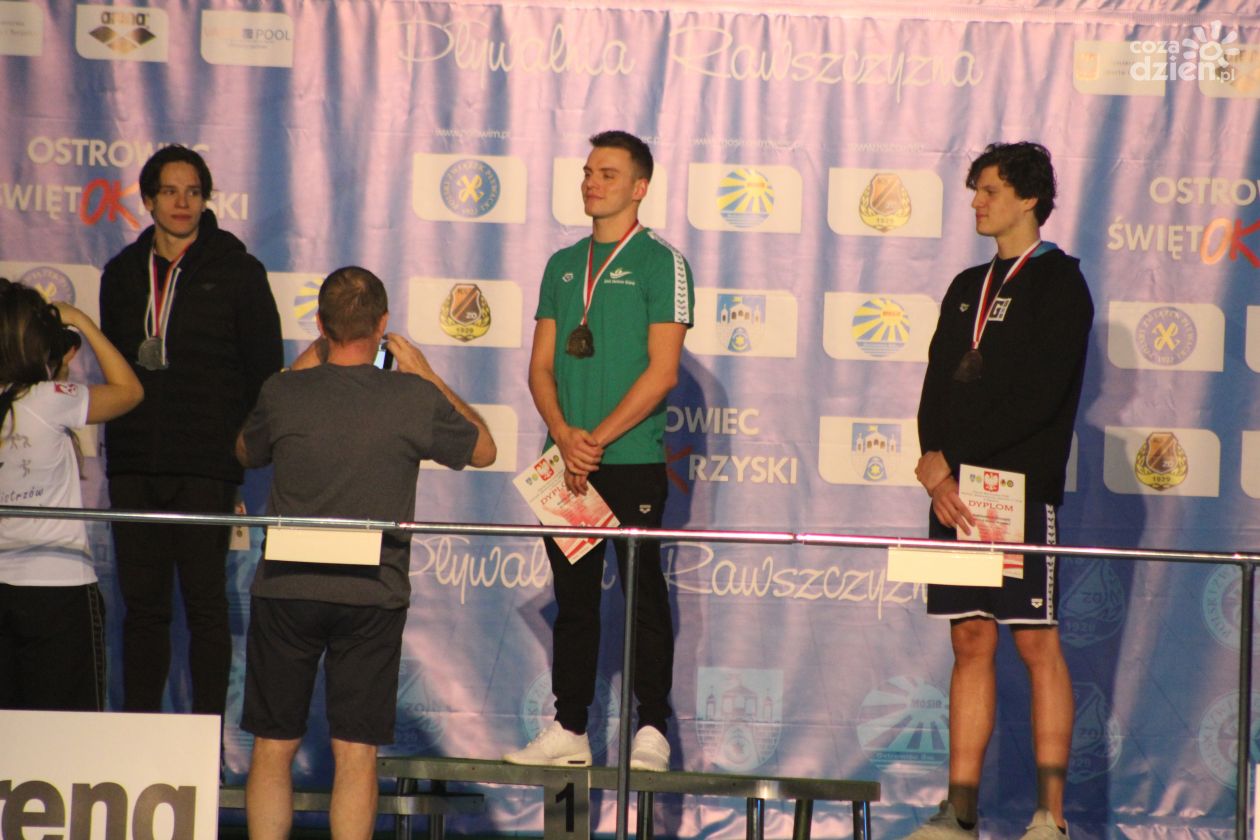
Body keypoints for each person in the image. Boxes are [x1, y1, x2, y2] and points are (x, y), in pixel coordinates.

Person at [236, 266, 495, 840]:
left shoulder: (283, 391)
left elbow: (245, 450)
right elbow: (484, 448)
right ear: (383, 325)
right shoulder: (412, 397)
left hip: (287, 587)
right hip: (371, 592)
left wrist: (304, 363)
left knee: (272, 747)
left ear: (321, 325)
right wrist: (427, 375)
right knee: (356, 754)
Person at [910, 142, 1093, 840]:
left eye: (989, 190)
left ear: (1028, 198)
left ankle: (1051, 817)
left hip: (1017, 490)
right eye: (975, 190)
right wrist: (935, 465)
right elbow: (936, 384)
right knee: (970, 640)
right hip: (955, 493)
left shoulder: (1060, 283)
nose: (977, 202)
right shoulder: (967, 285)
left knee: (1036, 643)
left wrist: (953, 460)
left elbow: (1039, 398)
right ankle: (959, 811)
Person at [505, 130, 694, 772]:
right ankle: (570, 728)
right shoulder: (563, 265)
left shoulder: (662, 263)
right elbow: (540, 367)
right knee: (574, 601)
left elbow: (662, 372)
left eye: (608, 174)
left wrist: (596, 439)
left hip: (631, 459)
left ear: (640, 187)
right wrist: (564, 434)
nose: (593, 182)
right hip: (567, 465)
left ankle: (652, 729)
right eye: (588, 172)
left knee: (643, 598)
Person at [99, 144, 283, 715]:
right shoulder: (121, 274)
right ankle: (138, 736)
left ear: (206, 200)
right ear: (148, 200)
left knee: (205, 606)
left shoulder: (240, 272)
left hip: (206, 467)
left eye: (194, 192)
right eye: (170, 192)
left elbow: (265, 371)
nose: (183, 203)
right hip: (134, 464)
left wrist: (236, 449)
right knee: (142, 611)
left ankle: (203, 743)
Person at [0, 279, 144, 710]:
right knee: (68, 727)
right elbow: (130, 391)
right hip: (57, 587)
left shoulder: (40, 396)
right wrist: (82, 321)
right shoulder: (46, 399)